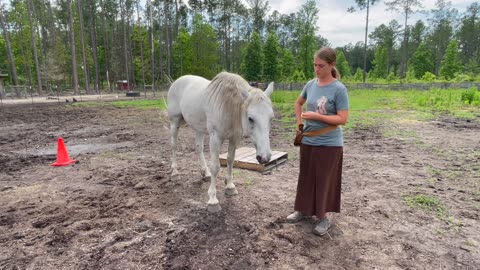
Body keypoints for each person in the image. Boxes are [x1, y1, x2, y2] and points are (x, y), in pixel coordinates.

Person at [287, 47, 350, 236]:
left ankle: (324, 217)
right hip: (309, 141)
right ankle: (303, 210)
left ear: (332, 65)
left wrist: (317, 116)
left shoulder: (339, 89)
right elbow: (298, 103)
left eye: (321, 66)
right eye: (314, 65)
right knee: (305, 177)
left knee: (324, 181)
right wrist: (300, 125)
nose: (316, 69)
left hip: (330, 144)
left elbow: (343, 119)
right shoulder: (310, 84)